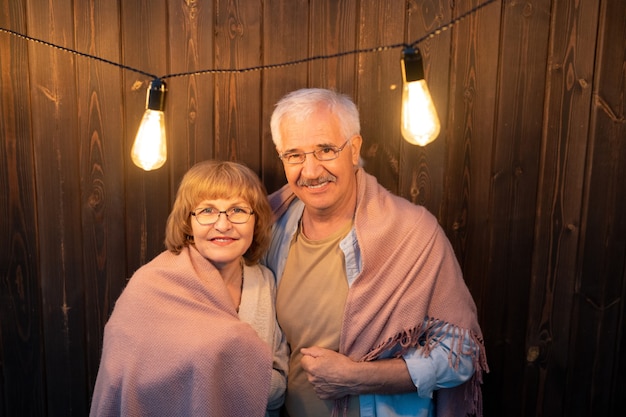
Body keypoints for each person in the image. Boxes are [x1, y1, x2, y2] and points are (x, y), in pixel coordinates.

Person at [264, 88, 488, 417]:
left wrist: (358, 378)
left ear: (354, 149)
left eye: (325, 150)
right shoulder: (270, 228)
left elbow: (461, 355)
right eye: (294, 155)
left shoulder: (412, 232)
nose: (310, 171)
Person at [90, 160, 288, 417]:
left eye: (238, 210)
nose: (223, 224)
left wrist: (230, 369)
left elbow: (279, 387)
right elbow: (124, 380)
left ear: (256, 220)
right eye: (207, 211)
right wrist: (240, 369)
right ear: (187, 222)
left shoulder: (264, 282)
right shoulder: (150, 286)